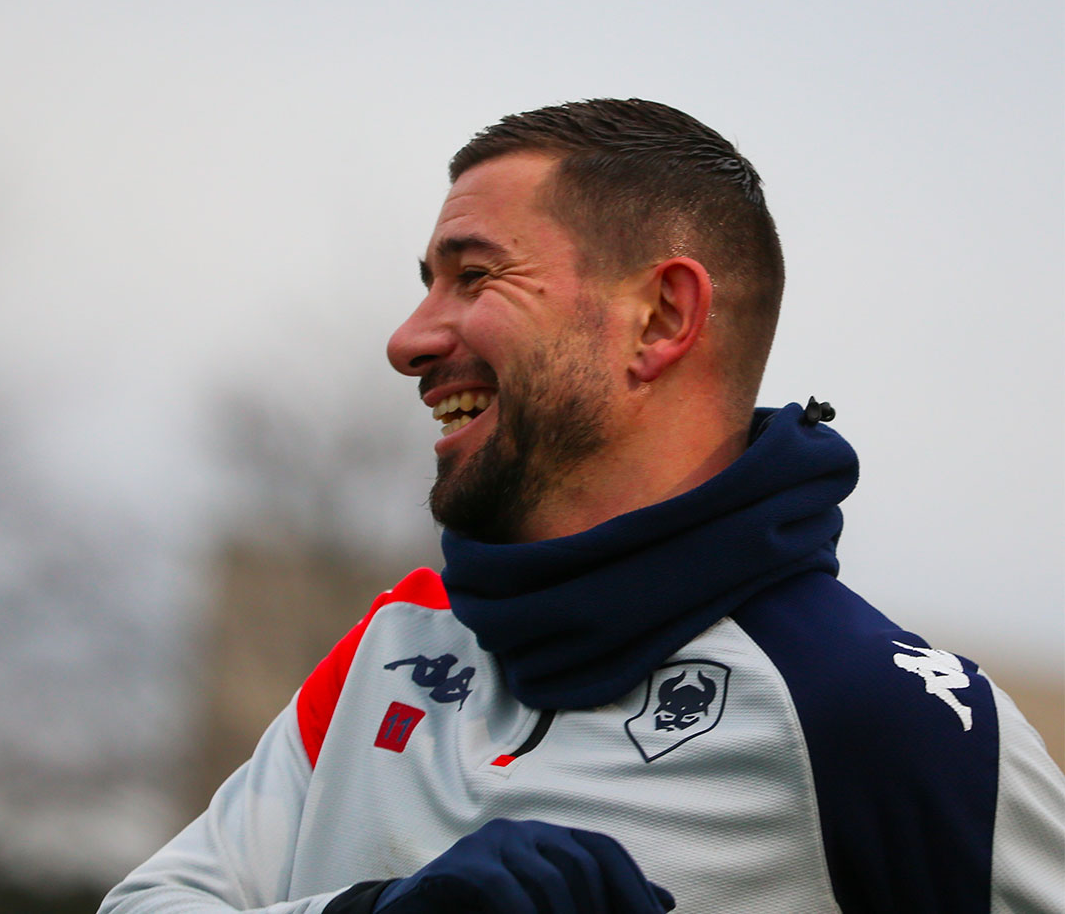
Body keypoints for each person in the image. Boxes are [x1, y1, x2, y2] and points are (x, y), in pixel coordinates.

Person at [99, 99, 1065, 913]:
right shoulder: (389, 649)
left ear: (662, 318)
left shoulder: (893, 719)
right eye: (426, 282)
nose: (408, 338)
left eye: (474, 275)